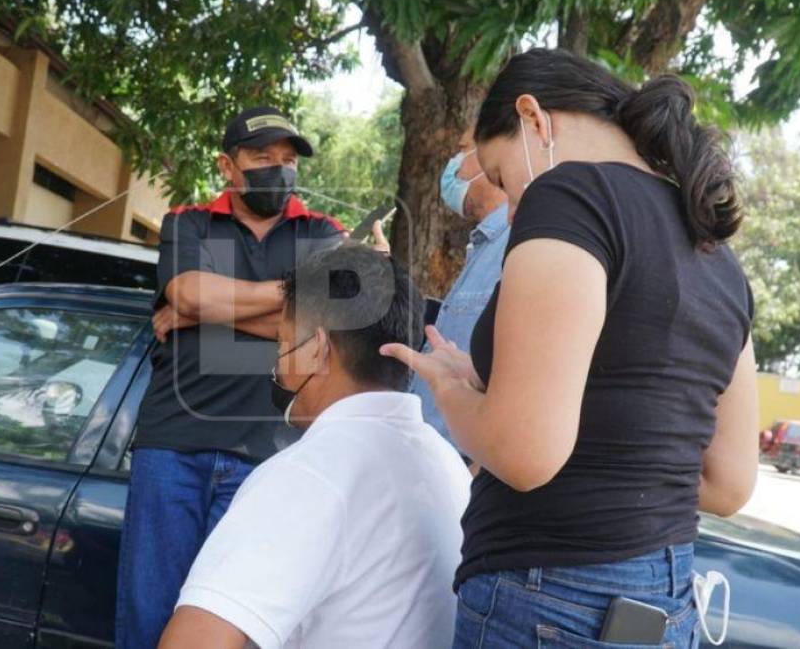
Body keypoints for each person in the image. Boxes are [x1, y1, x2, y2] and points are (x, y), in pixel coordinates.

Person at [381, 48, 759, 647]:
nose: (510, 206)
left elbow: (524, 453)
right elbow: (729, 482)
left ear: (533, 118)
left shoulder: (571, 197)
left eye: (501, 176)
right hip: (668, 602)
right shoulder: (716, 251)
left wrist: (455, 391)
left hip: (548, 597)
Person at [159, 243, 470, 649]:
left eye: (282, 343)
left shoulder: (307, 475)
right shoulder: (447, 463)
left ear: (317, 349)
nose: (278, 364)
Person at [116, 106, 344, 648]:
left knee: (233, 627)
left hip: (269, 457)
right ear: (227, 165)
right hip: (173, 445)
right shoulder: (189, 221)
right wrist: (293, 293)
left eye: (287, 159)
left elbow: (319, 331)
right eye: (261, 157)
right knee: (148, 617)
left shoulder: (322, 232)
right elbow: (190, 293)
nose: (277, 169)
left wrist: (207, 309)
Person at [409, 127, 510, 447]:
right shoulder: (485, 246)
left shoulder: (515, 246)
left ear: (491, 158)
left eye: (461, 149)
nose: (453, 162)